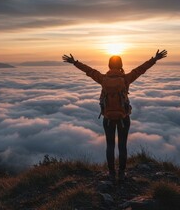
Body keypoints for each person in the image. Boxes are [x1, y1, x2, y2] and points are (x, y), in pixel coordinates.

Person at [62, 49, 167, 181]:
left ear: (109, 65)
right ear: (121, 65)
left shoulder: (103, 79)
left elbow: (89, 71)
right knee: (122, 146)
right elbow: (140, 69)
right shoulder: (126, 79)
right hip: (124, 118)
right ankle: (122, 173)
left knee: (110, 145)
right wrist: (154, 59)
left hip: (108, 119)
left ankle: (111, 173)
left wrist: (75, 62)